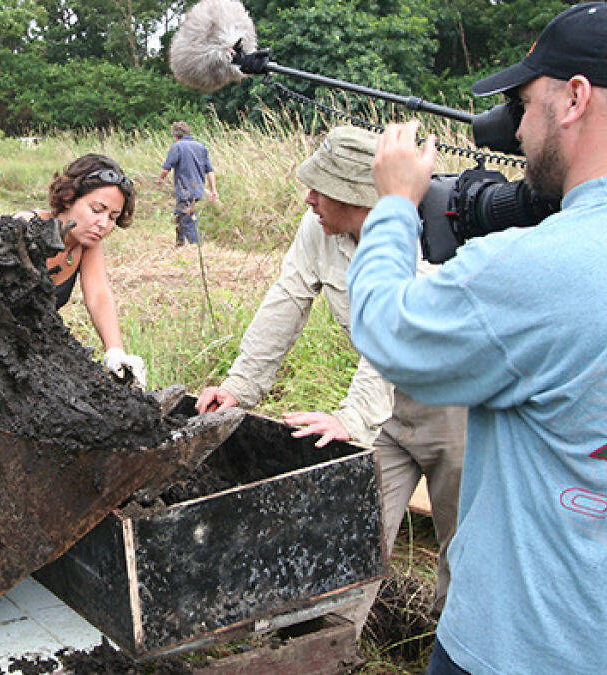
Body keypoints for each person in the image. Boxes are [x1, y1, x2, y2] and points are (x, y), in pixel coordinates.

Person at [346, 4, 607, 673]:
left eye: (525, 104)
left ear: (575, 98)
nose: (519, 129)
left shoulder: (536, 269)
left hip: (522, 651)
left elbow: (386, 329)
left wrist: (393, 204)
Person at [194, 126, 466, 634]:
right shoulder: (318, 228)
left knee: (464, 546)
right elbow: (287, 299)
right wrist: (239, 387)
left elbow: (396, 336)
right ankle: (330, 648)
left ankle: (455, 649)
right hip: (387, 413)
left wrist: (351, 417)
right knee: (352, 535)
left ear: (356, 194)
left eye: (320, 189)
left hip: (456, 408)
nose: (309, 199)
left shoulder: (425, 239)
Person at [16, 153, 147, 388]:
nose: (103, 224)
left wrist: (115, 352)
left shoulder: (87, 244)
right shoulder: (25, 227)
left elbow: (99, 295)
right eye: (96, 209)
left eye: (112, 217)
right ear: (68, 198)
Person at [156, 121, 218, 245]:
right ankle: (180, 244)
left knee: (187, 218)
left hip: (185, 190)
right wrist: (213, 190)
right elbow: (210, 171)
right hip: (198, 189)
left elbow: (166, 169)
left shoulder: (177, 147)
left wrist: (160, 180)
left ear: (175, 135)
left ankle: (196, 245)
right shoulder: (201, 147)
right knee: (180, 215)